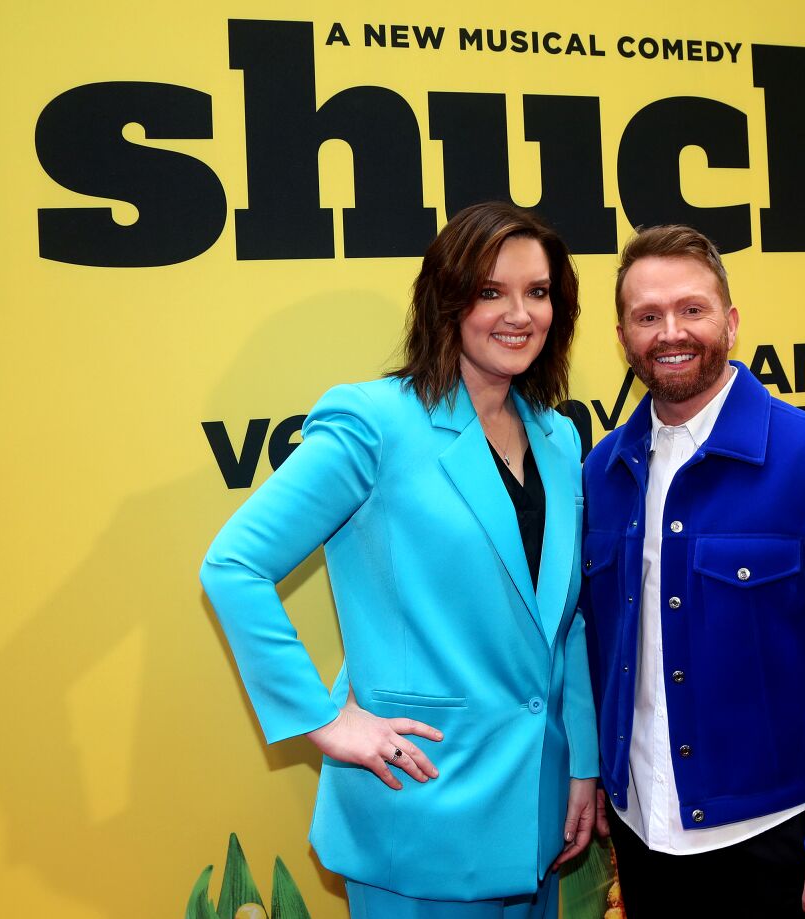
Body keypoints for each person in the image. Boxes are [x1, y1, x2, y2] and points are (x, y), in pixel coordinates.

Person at [200, 202, 598, 918]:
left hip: (537, 815)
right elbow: (234, 565)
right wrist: (325, 721)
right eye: (490, 291)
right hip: (420, 808)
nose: (519, 313)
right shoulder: (373, 423)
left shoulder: (559, 438)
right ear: (446, 301)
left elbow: (562, 620)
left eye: (537, 292)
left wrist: (582, 765)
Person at [580, 226, 805, 916]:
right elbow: (593, 647)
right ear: (623, 336)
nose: (671, 331)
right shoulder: (602, 471)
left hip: (774, 841)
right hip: (644, 831)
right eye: (648, 316)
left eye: (692, 309)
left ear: (730, 322)